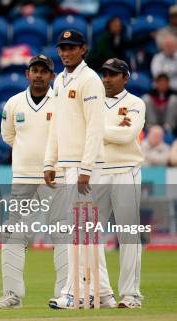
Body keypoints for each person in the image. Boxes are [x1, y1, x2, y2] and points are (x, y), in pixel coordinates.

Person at [44, 30, 115, 309]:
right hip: (68, 165)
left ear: (83, 49)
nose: (65, 52)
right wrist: (50, 161)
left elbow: (95, 127)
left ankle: (76, 293)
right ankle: (105, 293)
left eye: (71, 48)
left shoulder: (89, 80)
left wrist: (86, 167)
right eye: (62, 48)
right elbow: (56, 125)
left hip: (86, 167)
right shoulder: (60, 80)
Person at [0, 54, 67, 308]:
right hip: (23, 178)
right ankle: (11, 295)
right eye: (34, 70)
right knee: (13, 234)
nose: (38, 75)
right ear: (27, 74)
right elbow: (9, 136)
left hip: (54, 177)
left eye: (43, 71)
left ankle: (64, 293)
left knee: (61, 233)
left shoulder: (60, 102)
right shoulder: (14, 103)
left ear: (52, 76)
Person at [98, 58, 145, 308]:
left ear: (125, 77)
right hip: (98, 171)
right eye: (104, 74)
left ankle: (131, 294)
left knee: (128, 234)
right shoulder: (93, 103)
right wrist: (108, 130)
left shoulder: (135, 103)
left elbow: (126, 135)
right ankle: (103, 293)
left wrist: (95, 130)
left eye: (113, 74)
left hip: (126, 170)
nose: (107, 78)